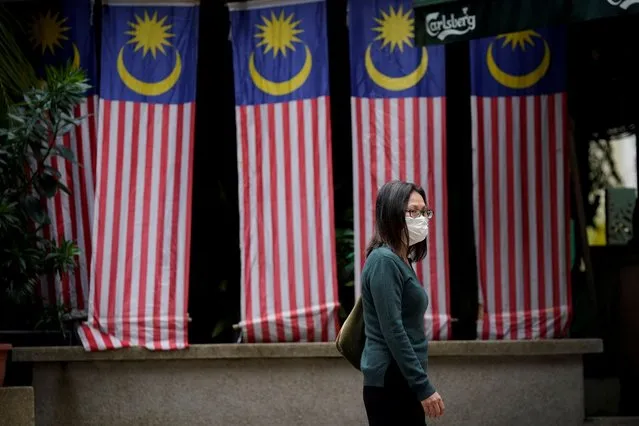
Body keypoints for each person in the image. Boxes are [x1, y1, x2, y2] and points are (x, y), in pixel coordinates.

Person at [360, 180, 445, 425]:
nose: (421, 218)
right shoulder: (384, 261)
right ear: (391, 213)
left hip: (402, 378)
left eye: (424, 212)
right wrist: (423, 386)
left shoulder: (400, 260)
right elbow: (393, 330)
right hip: (391, 379)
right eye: (413, 211)